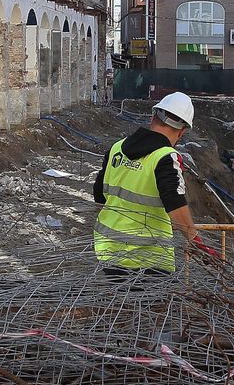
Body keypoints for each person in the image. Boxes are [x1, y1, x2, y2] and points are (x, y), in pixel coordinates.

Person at [92, 92, 216, 273]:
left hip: (109, 252)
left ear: (153, 117)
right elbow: (175, 204)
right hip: (150, 260)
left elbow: (99, 195)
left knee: (121, 302)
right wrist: (197, 243)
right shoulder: (166, 157)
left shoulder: (116, 148)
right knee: (152, 302)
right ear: (182, 132)